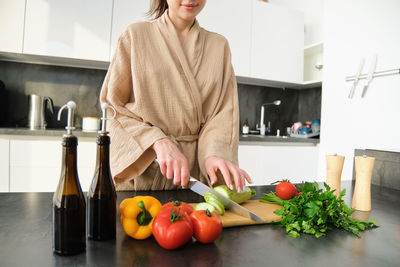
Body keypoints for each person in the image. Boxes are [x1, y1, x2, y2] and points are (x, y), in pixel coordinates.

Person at [100, 0, 252, 191]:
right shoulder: (135, 35)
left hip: (194, 180)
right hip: (143, 177)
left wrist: (213, 154)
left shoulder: (219, 46)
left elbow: (222, 114)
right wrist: (156, 140)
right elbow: (113, 107)